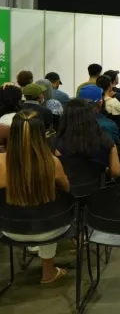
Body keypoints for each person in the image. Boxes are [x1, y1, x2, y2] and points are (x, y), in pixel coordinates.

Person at [0, 110, 71, 284]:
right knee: (52, 209)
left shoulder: (1, 162)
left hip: (9, 229)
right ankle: (48, 271)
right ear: (42, 133)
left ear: (13, 132)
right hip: (50, 230)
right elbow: (67, 191)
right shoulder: (52, 162)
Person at [55, 99, 120, 177]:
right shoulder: (107, 141)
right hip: (98, 186)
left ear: (65, 117)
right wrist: (102, 170)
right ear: (90, 115)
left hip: (68, 187)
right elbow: (116, 172)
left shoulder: (56, 144)